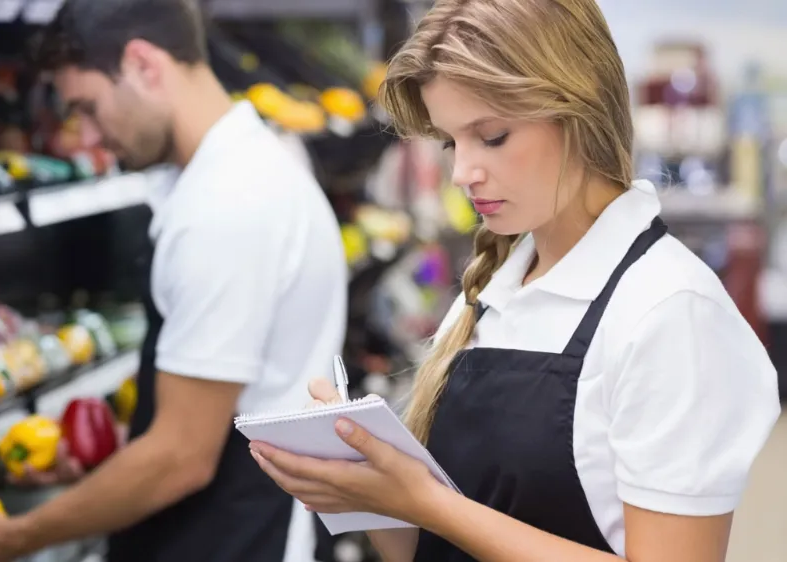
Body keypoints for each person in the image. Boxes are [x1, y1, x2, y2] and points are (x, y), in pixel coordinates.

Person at [249, 1, 781, 561]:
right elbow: (424, 550)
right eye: (452, 142)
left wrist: (428, 503)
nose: (462, 174)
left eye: (493, 136)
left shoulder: (669, 311)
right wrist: (360, 484)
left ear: (578, 110)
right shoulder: (490, 294)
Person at [0, 1, 347, 561]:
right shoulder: (250, 169)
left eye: (88, 107)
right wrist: (110, 466)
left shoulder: (228, 206)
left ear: (144, 65)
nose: (86, 135)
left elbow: (181, 457)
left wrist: (10, 538)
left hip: (234, 540)